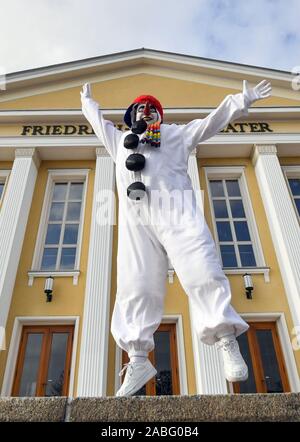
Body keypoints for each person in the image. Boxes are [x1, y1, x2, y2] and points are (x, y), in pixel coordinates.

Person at [81, 79, 272, 396]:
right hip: (136, 222)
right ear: (132, 115)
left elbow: (212, 121)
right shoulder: (119, 142)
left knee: (201, 267)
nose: (146, 110)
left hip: (177, 213)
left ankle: (225, 337)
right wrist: (88, 102)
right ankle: (139, 359)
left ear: (160, 115)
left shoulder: (175, 135)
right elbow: (97, 122)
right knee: (136, 285)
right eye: (141, 107)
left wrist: (243, 99)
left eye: (152, 107)